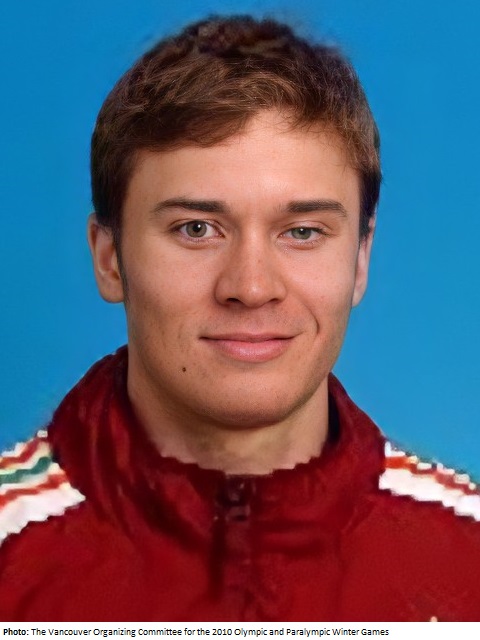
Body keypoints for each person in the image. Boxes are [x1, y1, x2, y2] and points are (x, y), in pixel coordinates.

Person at [1, 15, 480, 623]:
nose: (251, 288)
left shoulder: (466, 557)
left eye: (302, 232)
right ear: (109, 258)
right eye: (196, 229)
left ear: (361, 259)